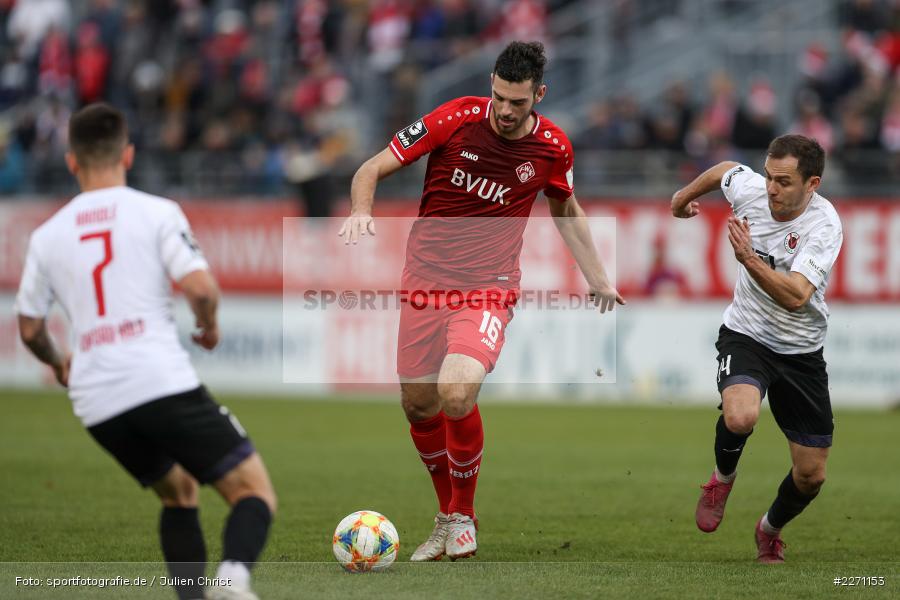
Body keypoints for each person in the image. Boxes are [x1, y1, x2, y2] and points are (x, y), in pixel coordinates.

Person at [339, 41, 623, 561]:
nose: (506, 111)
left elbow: (566, 208)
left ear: (539, 94)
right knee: (418, 404)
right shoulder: (454, 119)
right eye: (499, 97)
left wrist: (598, 278)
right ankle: (446, 515)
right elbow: (371, 168)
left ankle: (462, 518)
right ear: (491, 83)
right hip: (424, 283)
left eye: (518, 102)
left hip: (488, 286)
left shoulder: (554, 148)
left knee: (455, 391)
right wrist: (362, 209)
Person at [15, 103, 276, 600]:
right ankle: (234, 581)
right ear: (128, 155)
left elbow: (29, 329)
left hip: (95, 399)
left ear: (72, 161)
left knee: (179, 493)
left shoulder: (47, 235)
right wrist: (210, 327)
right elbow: (200, 288)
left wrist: (59, 360)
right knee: (253, 492)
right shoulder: (156, 212)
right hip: (157, 379)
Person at [670, 134, 842, 563]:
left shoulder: (824, 226)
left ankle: (769, 529)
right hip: (747, 334)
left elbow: (797, 296)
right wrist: (681, 198)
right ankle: (722, 479)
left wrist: (749, 258)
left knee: (811, 475)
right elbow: (724, 170)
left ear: (812, 184)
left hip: (801, 351)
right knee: (741, 415)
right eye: (768, 176)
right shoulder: (753, 191)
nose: (770, 188)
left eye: (783, 181)